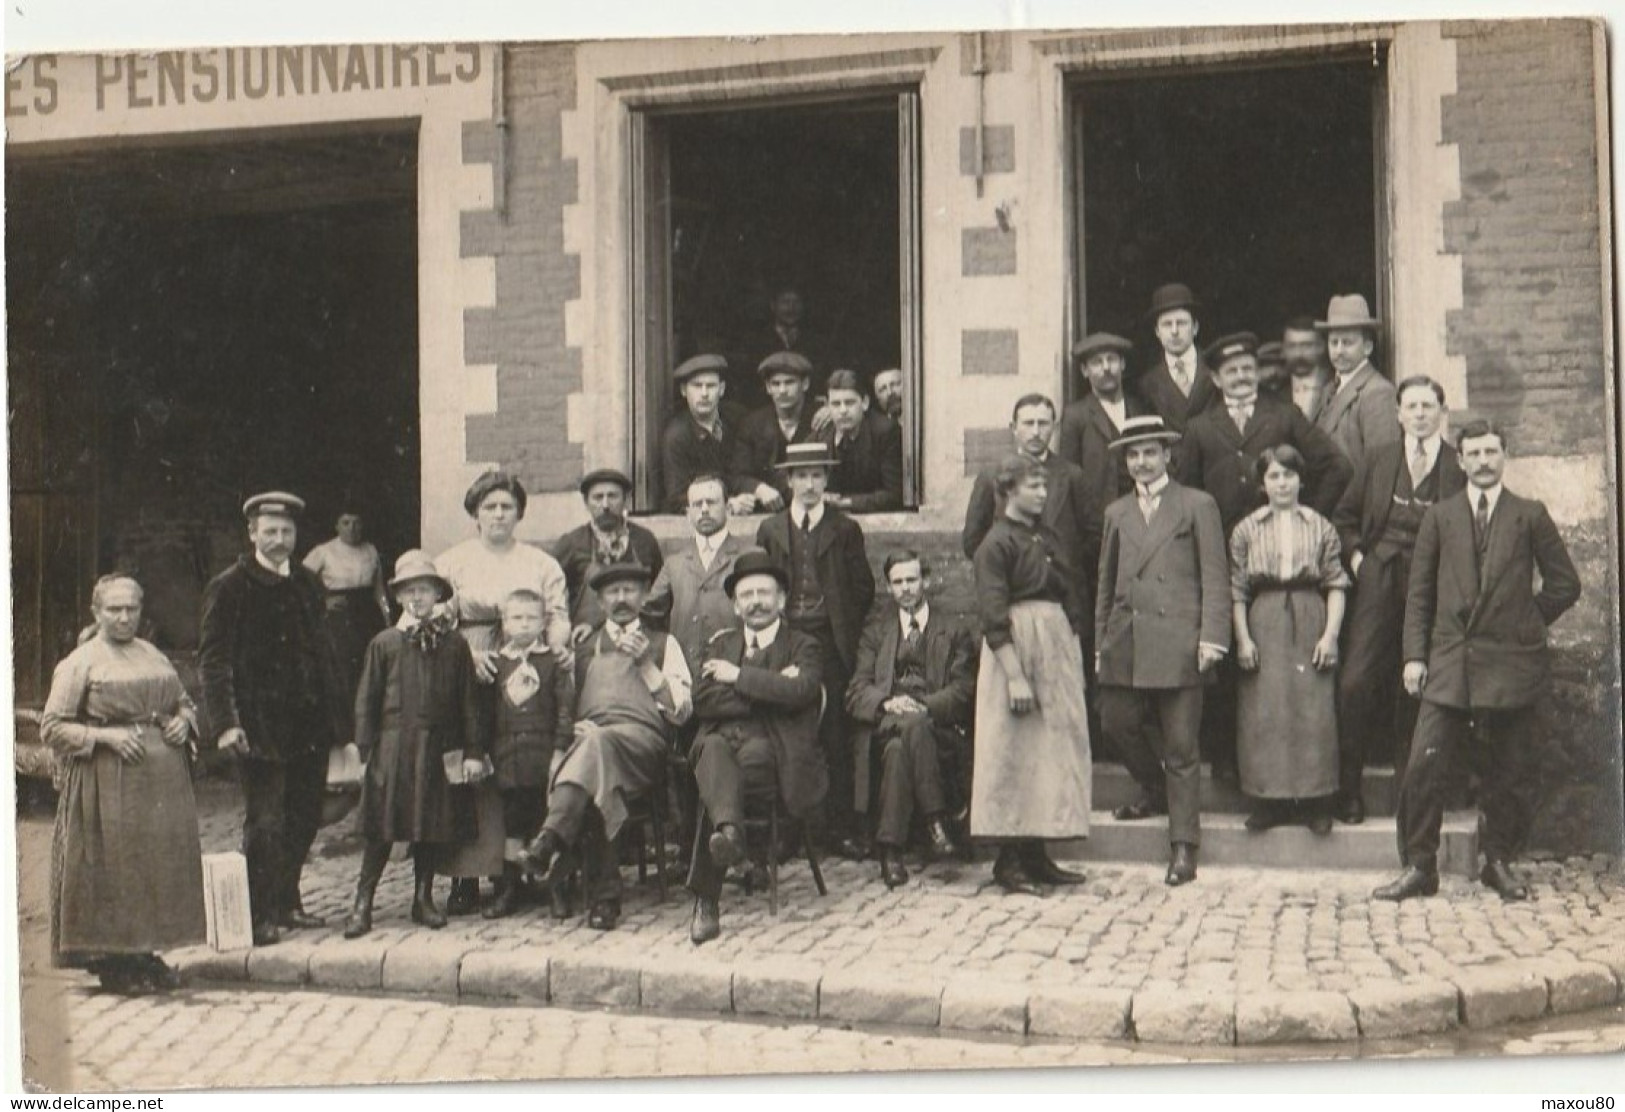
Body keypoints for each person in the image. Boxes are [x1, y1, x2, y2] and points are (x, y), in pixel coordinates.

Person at [1374, 421, 1581, 903]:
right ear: (1461, 460)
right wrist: (1413, 657)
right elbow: (1419, 595)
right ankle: (1420, 866)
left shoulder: (1529, 515)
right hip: (1450, 660)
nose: (1484, 461)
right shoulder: (1440, 518)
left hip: (1512, 663)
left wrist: (1525, 623)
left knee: (1509, 769)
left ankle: (1500, 862)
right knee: (1423, 764)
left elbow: (1565, 584)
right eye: (1474, 453)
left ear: (1505, 455)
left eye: (1492, 451)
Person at [1175, 333, 1351, 784]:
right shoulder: (1199, 427)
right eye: (1230, 371)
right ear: (1215, 378)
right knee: (1228, 655)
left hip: (1279, 554)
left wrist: (1308, 516)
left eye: (1247, 368)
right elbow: (1187, 492)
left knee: (1281, 672)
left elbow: (1337, 465)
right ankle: (1231, 763)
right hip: (1220, 556)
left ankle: (1298, 775)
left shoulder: (1283, 415)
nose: (1240, 376)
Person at [43, 575, 205, 993]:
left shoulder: (153, 655)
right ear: (96, 613)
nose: (124, 617)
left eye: (131, 609)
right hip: (105, 782)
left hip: (159, 785)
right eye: (114, 609)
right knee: (115, 865)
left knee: (152, 865)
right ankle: (114, 960)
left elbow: (183, 701)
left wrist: (181, 723)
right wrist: (105, 738)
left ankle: (144, 952)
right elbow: (53, 727)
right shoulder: (82, 661)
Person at [199, 491, 345, 947]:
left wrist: (340, 727)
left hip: (307, 724)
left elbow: (324, 656)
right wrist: (226, 722)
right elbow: (214, 660)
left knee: (303, 815)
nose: (279, 539)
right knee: (265, 821)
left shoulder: (305, 582)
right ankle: (259, 913)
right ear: (252, 533)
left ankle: (288, 901)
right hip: (258, 726)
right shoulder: (230, 585)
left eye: (286, 532)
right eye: (270, 531)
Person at [1094, 417, 1230, 886]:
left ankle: (1183, 845)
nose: (1141, 462)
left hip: (1180, 642)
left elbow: (1215, 576)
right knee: (1115, 722)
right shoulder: (1116, 513)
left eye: (1150, 452)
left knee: (1181, 747)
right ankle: (1155, 788)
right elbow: (1106, 584)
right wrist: (1101, 644)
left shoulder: (1196, 505)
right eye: (1132, 454)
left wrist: (1212, 637)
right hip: (1127, 639)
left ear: (1168, 455)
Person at [523, 563, 693, 931]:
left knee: (597, 750)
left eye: (630, 590)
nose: (621, 599)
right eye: (612, 593)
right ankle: (605, 900)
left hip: (643, 746)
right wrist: (573, 728)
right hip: (594, 746)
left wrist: (647, 665)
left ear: (645, 596)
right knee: (599, 766)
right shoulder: (584, 647)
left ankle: (551, 838)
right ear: (600, 601)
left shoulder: (663, 643)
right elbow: (564, 703)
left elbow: (681, 712)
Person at [434, 470, 571, 915]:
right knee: (469, 766)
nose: (498, 514)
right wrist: (465, 657)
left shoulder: (539, 563)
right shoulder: (453, 561)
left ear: (518, 514)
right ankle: (464, 877)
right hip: (469, 660)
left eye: (506, 507)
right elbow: (437, 620)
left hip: (526, 663)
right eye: (489, 506)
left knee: (515, 771)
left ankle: (517, 873)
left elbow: (556, 614)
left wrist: (559, 647)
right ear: (475, 513)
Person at [1331, 375, 1466, 823]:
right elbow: (1345, 517)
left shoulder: (1456, 466)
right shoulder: (1378, 459)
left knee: (1417, 685)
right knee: (1354, 683)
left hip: (1430, 586)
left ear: (1441, 412)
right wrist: (1357, 561)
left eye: (1429, 406)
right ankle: (1349, 790)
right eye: (1412, 406)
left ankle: (1411, 797)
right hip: (1378, 579)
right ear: (1398, 413)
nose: (1421, 414)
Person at [686, 551, 827, 944]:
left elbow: (802, 691)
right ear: (735, 605)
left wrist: (737, 677)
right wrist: (770, 687)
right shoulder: (721, 643)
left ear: (781, 600)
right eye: (746, 595)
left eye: (764, 593)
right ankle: (729, 834)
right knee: (713, 754)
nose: (756, 602)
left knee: (713, 787)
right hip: (720, 746)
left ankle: (706, 900)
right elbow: (703, 701)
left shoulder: (804, 645)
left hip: (774, 753)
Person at [343, 553, 482, 938]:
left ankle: (422, 898)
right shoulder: (384, 643)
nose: (417, 598)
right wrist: (363, 750)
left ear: (438, 594)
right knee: (383, 825)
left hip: (438, 747)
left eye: (425, 589)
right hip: (393, 746)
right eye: (409, 591)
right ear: (400, 597)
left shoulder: (454, 646)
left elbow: (468, 701)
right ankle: (363, 901)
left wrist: (472, 751)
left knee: (429, 823)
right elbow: (365, 701)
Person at [971, 455, 1092, 896]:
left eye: (1044, 486)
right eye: (1033, 487)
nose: (1043, 494)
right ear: (1007, 493)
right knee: (1014, 752)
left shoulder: (1046, 535)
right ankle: (1009, 860)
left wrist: (1071, 652)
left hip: (1054, 645)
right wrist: (1016, 677)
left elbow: (1069, 590)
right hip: (1017, 650)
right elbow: (992, 616)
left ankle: (1037, 854)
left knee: (1049, 752)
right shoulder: (995, 544)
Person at [756, 441, 875, 843]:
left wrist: (839, 622)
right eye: (801, 476)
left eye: (817, 475)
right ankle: (790, 828)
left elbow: (862, 589)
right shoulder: (771, 530)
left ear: (826, 479)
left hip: (829, 639)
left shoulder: (844, 529)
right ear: (788, 480)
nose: (809, 484)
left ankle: (839, 827)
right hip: (786, 638)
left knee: (835, 730)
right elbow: (763, 586)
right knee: (788, 726)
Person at [1229, 446, 1351, 834]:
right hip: (1263, 615)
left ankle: (1315, 801)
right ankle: (1269, 801)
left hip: (1309, 611)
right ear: (1263, 484)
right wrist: (1243, 639)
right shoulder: (1247, 529)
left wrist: (1330, 635)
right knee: (1265, 711)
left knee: (1312, 709)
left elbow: (1335, 583)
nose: (1282, 484)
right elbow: (1236, 590)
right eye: (1274, 477)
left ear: (1302, 480)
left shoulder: (1320, 526)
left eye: (1289, 475)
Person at [843, 550, 975, 886]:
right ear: (888, 587)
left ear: (926, 581)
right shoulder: (876, 632)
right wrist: (886, 702)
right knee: (900, 736)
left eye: (912, 580)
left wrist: (926, 706)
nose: (905, 588)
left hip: (937, 728)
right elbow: (856, 689)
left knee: (899, 752)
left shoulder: (953, 630)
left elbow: (963, 690)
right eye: (897, 582)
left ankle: (890, 852)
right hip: (887, 722)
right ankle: (937, 821)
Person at [480, 589, 574, 920]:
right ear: (504, 623)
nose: (523, 625)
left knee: (546, 820)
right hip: (507, 755)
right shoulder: (496, 665)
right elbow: (486, 714)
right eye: (516, 618)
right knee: (512, 824)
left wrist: (560, 749)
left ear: (544, 622)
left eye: (531, 618)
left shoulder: (553, 663)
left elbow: (564, 710)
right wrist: (484, 752)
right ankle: (509, 888)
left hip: (542, 754)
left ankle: (555, 889)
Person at [962, 393, 1095, 611]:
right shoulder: (991, 476)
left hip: (1063, 600)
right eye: (1028, 423)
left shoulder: (1072, 476)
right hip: (1011, 599)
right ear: (1013, 427)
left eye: (1043, 423)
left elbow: (1092, 537)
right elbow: (972, 541)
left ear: (1054, 427)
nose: (1035, 432)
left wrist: (1064, 567)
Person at [1055, 332, 1150, 577]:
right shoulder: (1076, 416)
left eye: (1112, 360)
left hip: (1142, 518)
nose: (1106, 368)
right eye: (1097, 362)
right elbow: (1068, 474)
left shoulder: (1140, 408)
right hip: (1097, 527)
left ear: (1123, 365)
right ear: (1085, 371)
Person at [644, 474, 752, 672]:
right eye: (697, 504)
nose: (704, 510)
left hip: (734, 673)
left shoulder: (748, 556)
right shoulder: (674, 563)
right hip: (686, 675)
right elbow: (647, 614)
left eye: (711, 503)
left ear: (728, 508)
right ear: (688, 513)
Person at [302, 505, 391, 739]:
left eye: (357, 522)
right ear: (336, 525)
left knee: (370, 669)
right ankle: (345, 733)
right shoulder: (323, 552)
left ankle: (369, 730)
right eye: (346, 522)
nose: (352, 528)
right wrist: (323, 602)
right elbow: (300, 584)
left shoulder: (370, 549)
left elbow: (379, 589)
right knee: (342, 673)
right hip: (337, 620)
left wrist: (387, 619)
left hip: (367, 616)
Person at [551, 468, 664, 639]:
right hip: (588, 642)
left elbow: (659, 596)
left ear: (626, 500)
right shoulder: (572, 543)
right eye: (598, 497)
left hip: (639, 639)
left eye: (612, 496)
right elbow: (552, 600)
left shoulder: (645, 540)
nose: (605, 505)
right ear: (586, 502)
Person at [660, 353, 755, 515]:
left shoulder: (737, 418)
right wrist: (727, 505)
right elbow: (676, 497)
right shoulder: (676, 435)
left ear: (722, 389)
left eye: (711, 386)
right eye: (697, 386)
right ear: (684, 390)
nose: (704, 393)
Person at [1313, 294, 1400, 470]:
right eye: (1334, 342)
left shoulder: (1378, 392)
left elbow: (1382, 468)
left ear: (1367, 347)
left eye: (1347, 343)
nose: (1339, 351)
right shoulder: (1329, 389)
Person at [734, 350, 819, 511]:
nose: (782, 390)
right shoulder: (753, 424)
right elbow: (737, 475)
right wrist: (759, 488)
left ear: (805, 384)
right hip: (767, 511)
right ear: (768, 387)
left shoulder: (819, 419)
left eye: (789, 382)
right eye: (776, 384)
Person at [1135, 282, 1218, 434]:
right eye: (1167, 324)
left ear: (1195, 328)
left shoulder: (1216, 370)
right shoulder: (1146, 383)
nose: (1174, 331)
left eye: (1181, 323)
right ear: (1157, 332)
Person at [824, 369, 904, 513]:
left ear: (865, 403)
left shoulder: (885, 431)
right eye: (836, 404)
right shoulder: (824, 434)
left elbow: (894, 494)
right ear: (828, 407)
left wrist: (846, 503)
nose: (843, 410)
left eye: (849, 403)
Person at [1281, 316, 1333, 421]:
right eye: (1292, 346)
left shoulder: (1337, 386)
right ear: (1283, 350)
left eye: (1307, 346)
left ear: (1323, 347)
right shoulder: (1274, 391)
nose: (1299, 354)